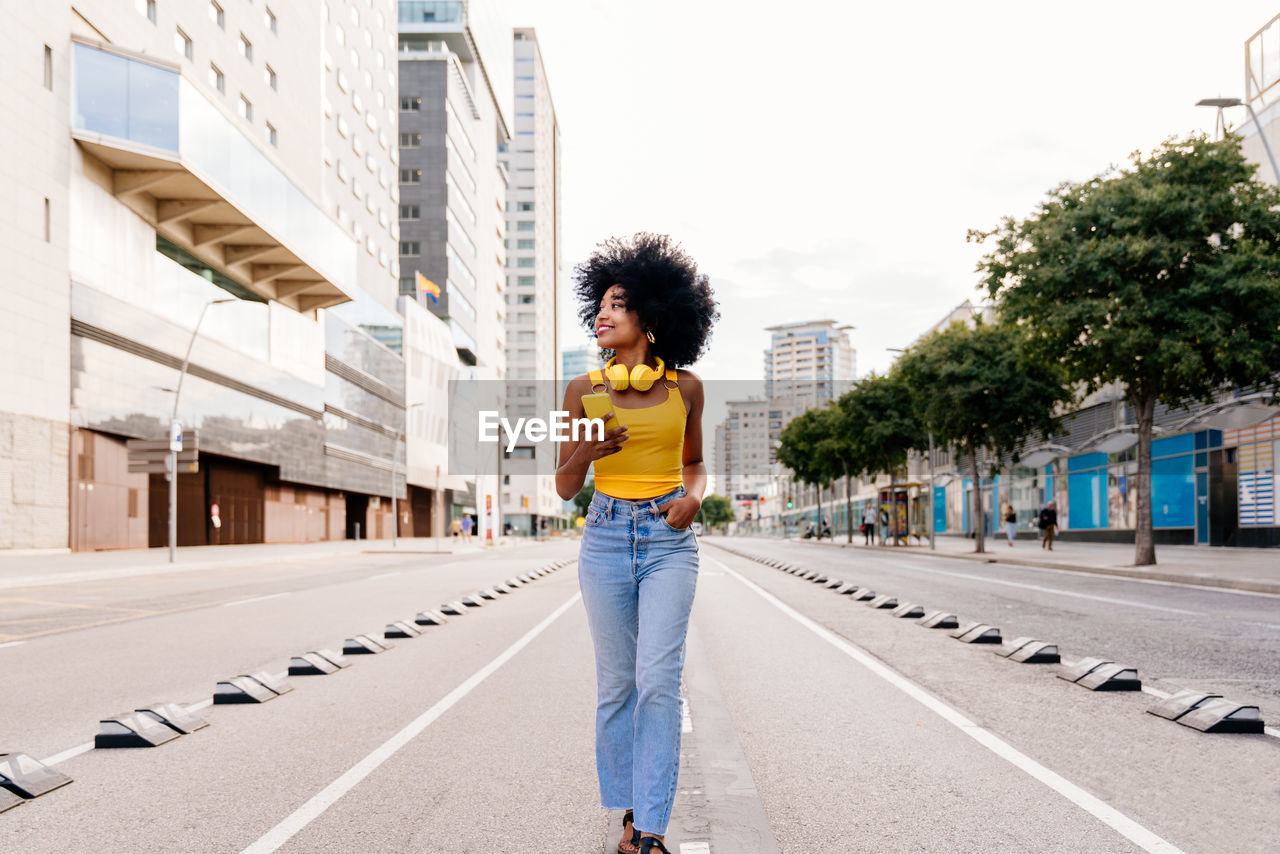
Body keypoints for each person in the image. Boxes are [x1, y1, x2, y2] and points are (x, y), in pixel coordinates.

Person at [555, 233, 718, 854]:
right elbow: (564, 487)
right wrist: (588, 452)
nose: (603, 311)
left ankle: (650, 830)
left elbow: (696, 462)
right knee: (617, 684)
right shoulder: (581, 390)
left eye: (618, 303)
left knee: (658, 679)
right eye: (599, 302)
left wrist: (694, 496)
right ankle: (627, 814)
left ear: (652, 316)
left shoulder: (687, 388)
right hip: (602, 535)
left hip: (668, 538)